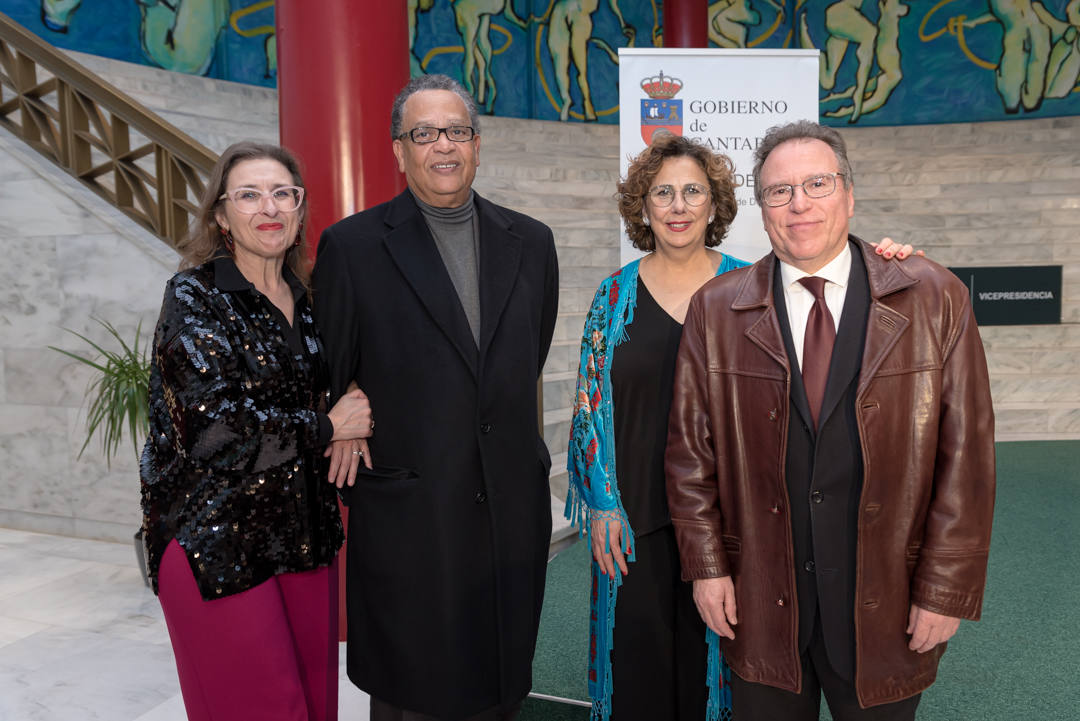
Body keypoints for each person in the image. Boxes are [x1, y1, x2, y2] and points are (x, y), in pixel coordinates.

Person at [566, 131, 917, 721]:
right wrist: (602, 503)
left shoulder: (751, 287)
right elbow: (588, 404)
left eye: (693, 192)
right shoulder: (613, 297)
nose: (678, 206)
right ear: (642, 206)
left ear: (715, 203)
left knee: (731, 676)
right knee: (641, 670)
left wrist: (888, 260)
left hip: (737, 524)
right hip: (636, 522)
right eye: (663, 193)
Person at [666, 120, 996, 721]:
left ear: (849, 193)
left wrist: (945, 588)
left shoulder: (933, 296)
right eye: (778, 191)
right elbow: (691, 456)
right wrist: (707, 568)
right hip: (761, 602)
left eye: (817, 184)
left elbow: (966, 461)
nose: (799, 205)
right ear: (760, 208)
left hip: (888, 600)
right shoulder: (715, 311)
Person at [312, 74, 559, 721]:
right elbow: (331, 374)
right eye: (424, 133)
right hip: (410, 518)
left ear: (477, 144)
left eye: (456, 131)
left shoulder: (531, 243)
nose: (442, 146)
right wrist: (341, 421)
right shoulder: (352, 247)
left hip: (508, 513)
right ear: (399, 149)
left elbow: (521, 359)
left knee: (500, 694)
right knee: (412, 698)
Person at [140, 141, 373, 721]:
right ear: (221, 216)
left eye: (282, 193)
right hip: (213, 541)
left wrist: (347, 413)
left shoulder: (312, 300)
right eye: (248, 194)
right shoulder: (195, 296)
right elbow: (215, 428)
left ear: (299, 210)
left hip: (305, 535)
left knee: (318, 708)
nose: (268, 206)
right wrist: (325, 425)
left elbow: (353, 377)